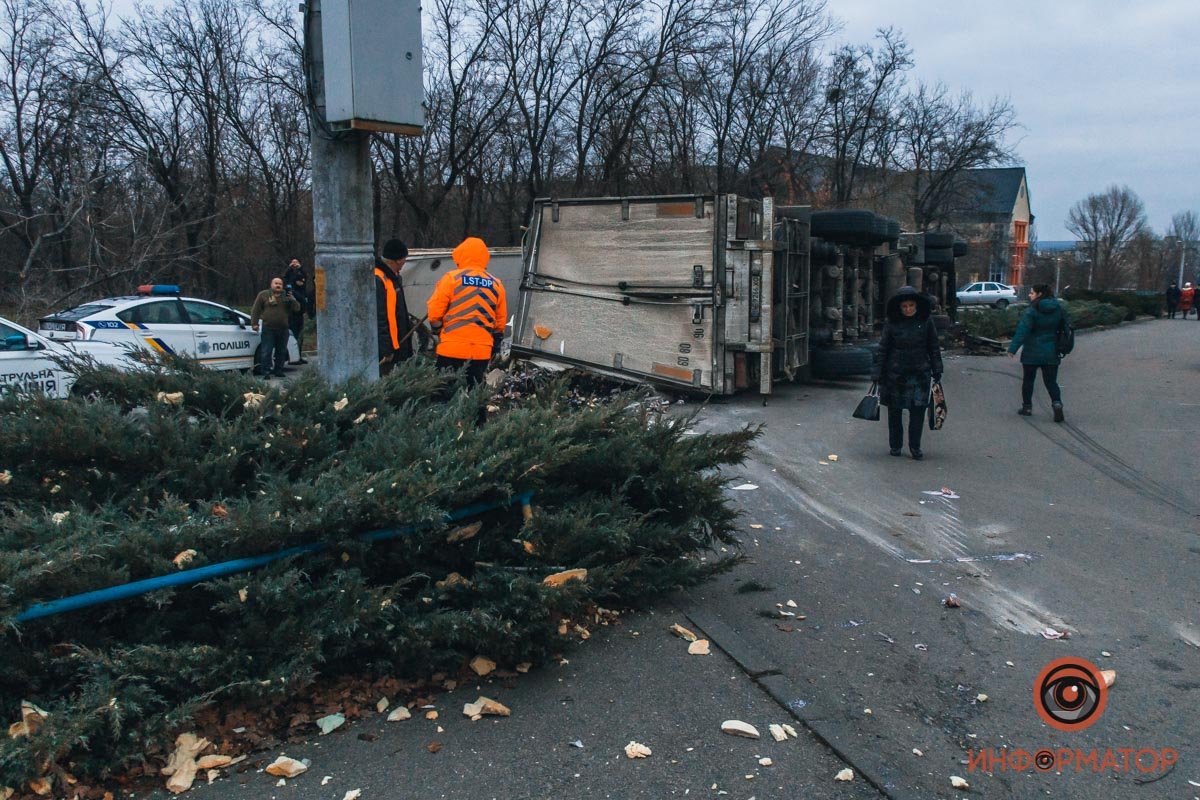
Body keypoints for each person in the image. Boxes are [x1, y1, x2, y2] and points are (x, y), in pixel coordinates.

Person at [872, 286, 943, 460]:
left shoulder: (926, 321)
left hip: (920, 374)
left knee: (917, 412)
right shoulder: (892, 323)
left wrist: (937, 368)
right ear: (900, 308)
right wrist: (877, 372)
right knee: (895, 413)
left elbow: (933, 346)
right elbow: (883, 348)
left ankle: (915, 447)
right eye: (905, 306)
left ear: (916, 305)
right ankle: (896, 446)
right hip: (896, 374)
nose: (908, 309)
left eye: (911, 305)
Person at [427, 236, 507, 390]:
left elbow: (434, 313)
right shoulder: (496, 284)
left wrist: (437, 329)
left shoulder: (451, 278)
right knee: (475, 395)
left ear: (461, 255)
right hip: (481, 351)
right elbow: (499, 323)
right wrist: (494, 345)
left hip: (451, 349)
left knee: (443, 394)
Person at [1007, 283, 1068, 422]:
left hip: (1031, 351)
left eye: (1032, 293)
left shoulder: (1032, 311)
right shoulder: (1058, 309)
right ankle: (1057, 403)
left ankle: (1027, 407)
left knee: (1028, 380)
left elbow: (1023, 330)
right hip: (1051, 351)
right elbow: (1066, 328)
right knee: (1051, 382)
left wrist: (1012, 349)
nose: (1029, 295)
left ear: (1039, 294)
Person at [375, 239, 413, 375]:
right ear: (396, 260)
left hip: (398, 346)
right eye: (404, 259)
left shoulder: (392, 278)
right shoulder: (378, 279)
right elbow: (379, 317)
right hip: (389, 352)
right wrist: (386, 349)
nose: (404, 262)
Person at [250, 276, 300, 378]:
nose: (278, 285)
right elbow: (255, 310)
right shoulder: (263, 295)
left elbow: (297, 309)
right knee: (266, 351)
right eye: (276, 283)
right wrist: (254, 323)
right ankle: (266, 372)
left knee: (281, 351)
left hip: (283, 328)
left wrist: (292, 299)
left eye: (280, 284)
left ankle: (279, 370)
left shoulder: (286, 296)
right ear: (271, 285)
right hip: (268, 328)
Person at [283, 258, 312, 363]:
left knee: (300, 335)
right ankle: (292, 356)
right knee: (293, 334)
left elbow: (306, 277)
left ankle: (298, 356)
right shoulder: (291, 286)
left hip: (301, 314)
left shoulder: (303, 288)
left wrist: (300, 268)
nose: (301, 282)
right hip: (292, 314)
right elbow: (286, 280)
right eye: (299, 281)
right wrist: (290, 268)